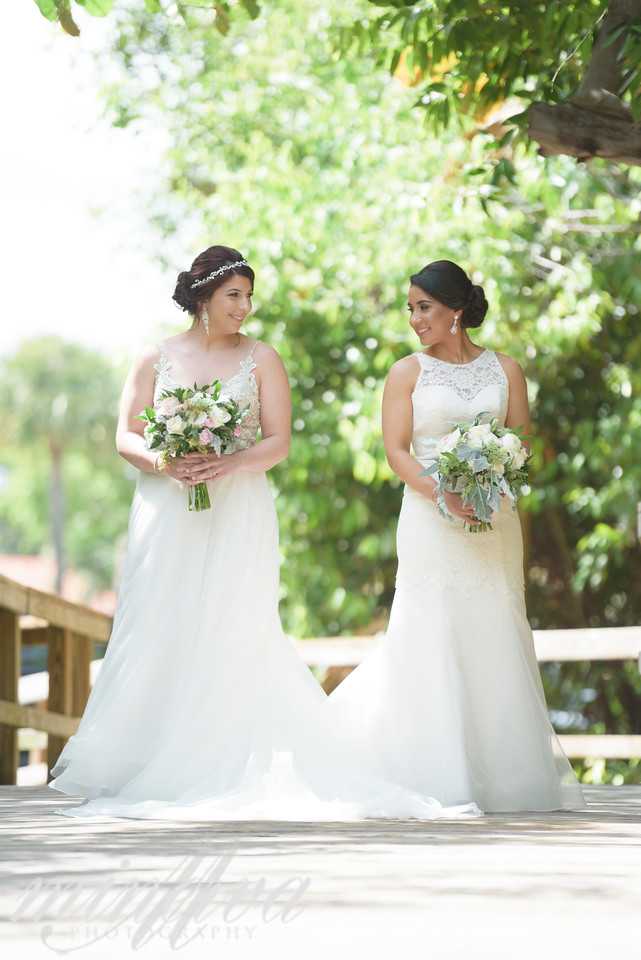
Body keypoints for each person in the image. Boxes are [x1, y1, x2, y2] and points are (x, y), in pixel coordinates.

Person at [47, 246, 480, 821]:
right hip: (166, 508)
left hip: (239, 506)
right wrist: (165, 461)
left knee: (235, 621)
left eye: (248, 297)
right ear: (203, 296)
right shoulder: (155, 357)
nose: (244, 307)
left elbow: (279, 442)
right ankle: (148, 757)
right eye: (234, 295)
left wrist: (227, 463)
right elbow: (126, 434)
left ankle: (223, 759)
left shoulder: (262, 359)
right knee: (162, 617)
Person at [327, 259, 586, 813]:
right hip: (430, 519)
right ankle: (435, 773)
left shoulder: (506, 370)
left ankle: (505, 779)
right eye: (411, 309)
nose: (415, 319)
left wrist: (494, 479)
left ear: (457, 310)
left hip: (495, 519)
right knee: (432, 626)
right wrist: (443, 494)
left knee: (495, 622)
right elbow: (396, 451)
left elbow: (521, 443)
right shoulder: (407, 373)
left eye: (424, 307)